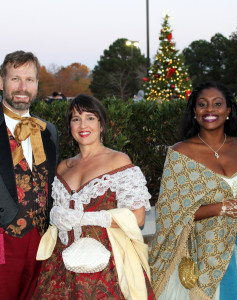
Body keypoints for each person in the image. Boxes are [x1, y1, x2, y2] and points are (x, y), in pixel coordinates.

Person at [149, 81, 237, 300]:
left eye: (217, 104)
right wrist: (219, 208)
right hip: (207, 256)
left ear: (228, 111)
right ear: (194, 111)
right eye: (202, 104)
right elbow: (170, 213)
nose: (210, 110)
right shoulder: (180, 154)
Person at [34, 94, 155, 299]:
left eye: (90, 117)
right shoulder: (64, 167)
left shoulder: (118, 160)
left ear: (101, 125)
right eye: (76, 119)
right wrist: (56, 215)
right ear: (70, 126)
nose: (83, 124)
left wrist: (85, 218)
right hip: (61, 265)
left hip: (107, 266)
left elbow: (138, 217)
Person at [0, 50, 59, 299]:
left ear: (36, 85)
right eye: (15, 79)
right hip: (3, 239)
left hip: (40, 242)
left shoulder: (50, 131)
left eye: (30, 80)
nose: (22, 87)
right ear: (1, 82)